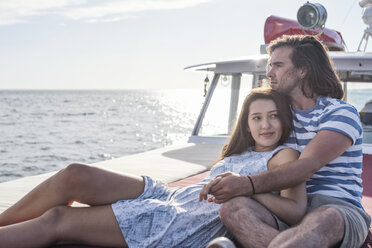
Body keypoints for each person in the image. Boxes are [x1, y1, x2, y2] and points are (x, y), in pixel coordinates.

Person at [0, 88, 304, 248]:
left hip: (183, 223)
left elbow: (295, 211)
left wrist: (248, 187)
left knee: (59, 219)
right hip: (171, 196)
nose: (266, 124)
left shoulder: (283, 156)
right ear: (246, 124)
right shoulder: (240, 151)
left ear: (284, 120)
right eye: (257, 117)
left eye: (274, 116)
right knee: (75, 174)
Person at [200, 35, 371, 248]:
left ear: (303, 70)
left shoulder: (340, 112)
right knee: (232, 208)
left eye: (278, 65)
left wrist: (246, 184)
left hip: (337, 208)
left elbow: (305, 168)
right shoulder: (278, 117)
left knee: (325, 218)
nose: (269, 73)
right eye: (269, 66)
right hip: (286, 206)